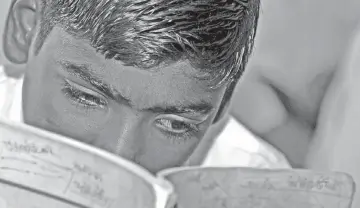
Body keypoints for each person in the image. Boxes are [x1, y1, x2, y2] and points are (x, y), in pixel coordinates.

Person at [0, 0, 290, 174]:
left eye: (175, 125)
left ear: (224, 100)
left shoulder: (252, 183)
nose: (120, 156)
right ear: (25, 29)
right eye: (85, 97)